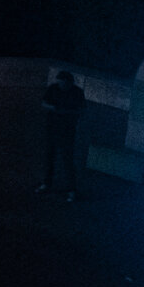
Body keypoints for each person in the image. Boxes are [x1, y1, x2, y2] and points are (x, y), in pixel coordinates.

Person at [37, 69, 86, 201]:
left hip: (66, 130)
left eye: (63, 83)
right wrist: (55, 108)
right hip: (53, 128)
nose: (61, 85)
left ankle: (70, 189)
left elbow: (82, 110)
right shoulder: (54, 88)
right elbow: (43, 103)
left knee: (66, 160)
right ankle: (49, 184)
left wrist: (63, 111)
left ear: (69, 82)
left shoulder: (76, 92)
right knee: (50, 157)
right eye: (60, 82)